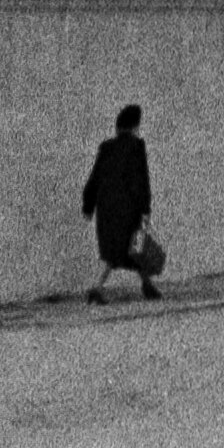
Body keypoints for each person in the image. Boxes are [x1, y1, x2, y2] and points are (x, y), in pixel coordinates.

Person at [79, 104, 156, 302]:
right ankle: (100, 288)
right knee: (135, 244)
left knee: (116, 249)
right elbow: (141, 180)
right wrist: (145, 209)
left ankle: (146, 284)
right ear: (135, 126)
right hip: (129, 207)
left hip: (106, 207)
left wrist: (88, 206)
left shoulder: (106, 148)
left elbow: (94, 178)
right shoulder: (137, 147)